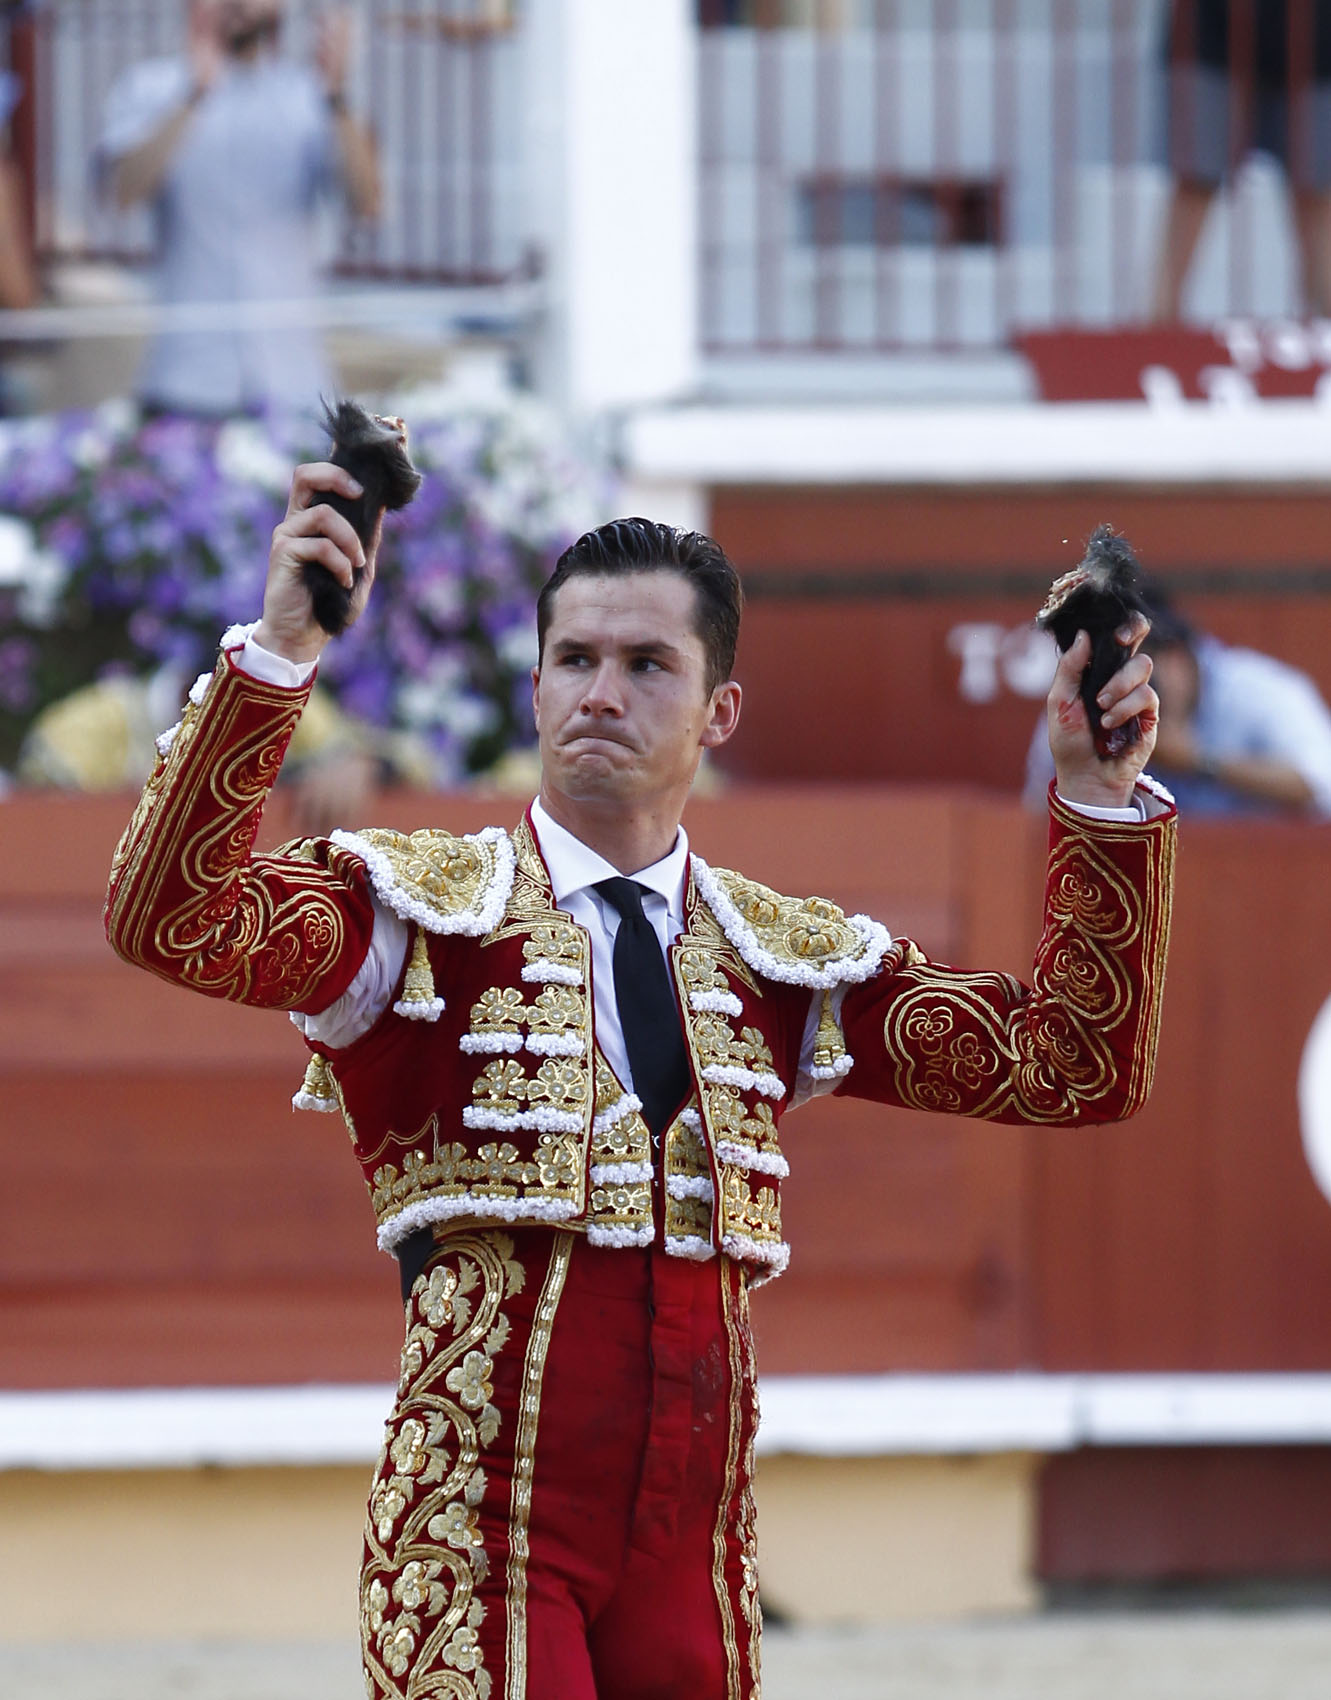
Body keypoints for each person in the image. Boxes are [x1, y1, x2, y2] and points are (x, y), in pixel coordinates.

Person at [105, 462, 1176, 1700]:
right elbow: (171, 915)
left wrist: (1095, 798)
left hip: (694, 1553)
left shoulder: (774, 959)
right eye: (573, 659)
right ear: (535, 684)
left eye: (646, 664)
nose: (600, 693)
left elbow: (1068, 1064)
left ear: (719, 711)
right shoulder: (412, 916)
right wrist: (282, 650)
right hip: (478, 1542)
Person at [97, 0, 379, 416]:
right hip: (187, 378)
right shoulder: (151, 87)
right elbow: (121, 193)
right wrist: (193, 96)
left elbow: (366, 202)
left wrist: (336, 98)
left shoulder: (308, 95)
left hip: (293, 381)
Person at [1025, 587, 1331, 819]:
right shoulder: (1083, 706)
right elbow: (1039, 817)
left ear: (1182, 655)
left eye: (1148, 664)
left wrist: (1200, 762)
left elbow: (1320, 784)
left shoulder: (1259, 691)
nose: (1138, 687)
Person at [1153, 0, 1331, 320]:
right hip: (1208, 34)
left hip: (1317, 41)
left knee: (1318, 201)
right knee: (1193, 188)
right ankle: (1155, 335)